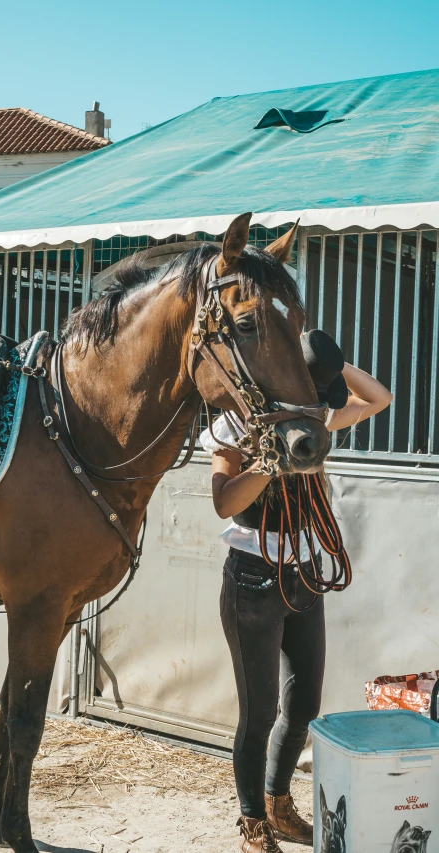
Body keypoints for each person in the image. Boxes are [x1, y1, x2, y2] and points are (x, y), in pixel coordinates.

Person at [200, 355, 392, 853]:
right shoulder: (233, 425)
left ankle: (278, 804)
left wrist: (330, 361)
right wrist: (271, 459)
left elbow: (378, 398)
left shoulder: (312, 415)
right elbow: (223, 503)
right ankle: (252, 823)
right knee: (259, 712)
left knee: (303, 706)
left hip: (305, 573)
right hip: (253, 579)